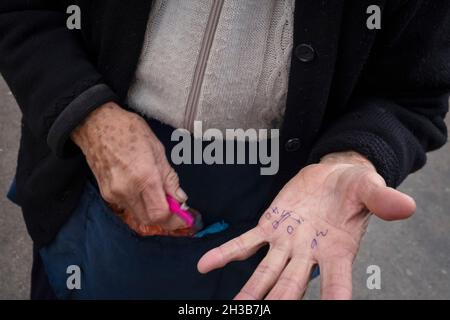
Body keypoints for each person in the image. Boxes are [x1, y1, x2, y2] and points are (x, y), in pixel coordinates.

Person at [0, 0, 449, 300]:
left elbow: (412, 91)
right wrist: (86, 115)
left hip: (273, 200)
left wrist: (352, 156)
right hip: (88, 167)